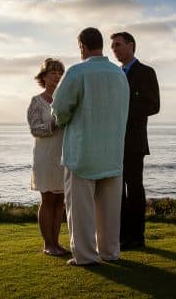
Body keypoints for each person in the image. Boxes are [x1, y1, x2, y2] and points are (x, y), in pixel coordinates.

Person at [52, 27, 129, 266]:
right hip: (112, 151)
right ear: (102, 45)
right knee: (109, 210)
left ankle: (85, 256)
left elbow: (59, 109)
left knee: (81, 210)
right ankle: (109, 252)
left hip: (82, 151)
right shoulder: (119, 74)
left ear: (82, 46)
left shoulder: (77, 72)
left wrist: (60, 120)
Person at [110, 31, 160, 250]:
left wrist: (123, 111)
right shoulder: (114, 74)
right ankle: (121, 237)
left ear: (131, 45)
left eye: (118, 44)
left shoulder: (146, 71)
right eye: (112, 46)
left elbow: (153, 105)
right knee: (117, 190)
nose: (115, 49)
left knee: (135, 188)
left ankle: (137, 237)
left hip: (134, 141)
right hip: (113, 142)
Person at [27, 58, 70, 257]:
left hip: (64, 154)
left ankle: (57, 243)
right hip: (45, 155)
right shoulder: (37, 101)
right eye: (53, 72)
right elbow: (35, 129)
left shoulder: (66, 99)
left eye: (60, 73)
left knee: (60, 199)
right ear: (43, 76)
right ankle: (48, 244)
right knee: (48, 198)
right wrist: (53, 124)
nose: (57, 76)